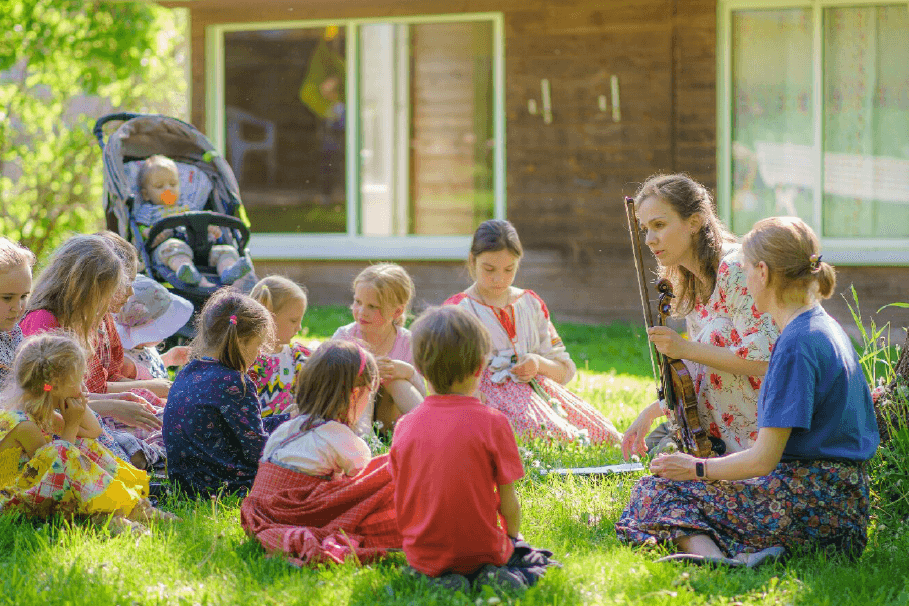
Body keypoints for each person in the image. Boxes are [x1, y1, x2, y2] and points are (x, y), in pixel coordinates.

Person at [615, 216, 880, 565]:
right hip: (844, 507)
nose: (741, 277)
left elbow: (762, 460)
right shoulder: (822, 326)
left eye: (744, 269)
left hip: (811, 505)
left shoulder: (795, 344)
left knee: (656, 491)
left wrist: (696, 468)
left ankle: (720, 560)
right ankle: (755, 552)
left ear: (763, 273)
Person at [390, 306, 558, 590]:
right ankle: (496, 575)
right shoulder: (493, 422)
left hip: (422, 551)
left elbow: (402, 496)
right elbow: (508, 501)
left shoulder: (404, 426)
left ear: (418, 368)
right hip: (482, 549)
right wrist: (512, 540)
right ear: (481, 366)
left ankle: (435, 578)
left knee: (429, 565)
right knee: (534, 559)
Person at [621, 174, 779, 459]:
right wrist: (652, 412)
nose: (649, 240)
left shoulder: (735, 268)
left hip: (771, 423)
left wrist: (685, 349)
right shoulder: (689, 282)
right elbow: (699, 371)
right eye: (645, 229)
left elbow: (766, 360)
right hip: (725, 421)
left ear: (694, 222)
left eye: (659, 225)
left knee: (717, 331)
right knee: (659, 455)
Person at [445, 220, 621, 445]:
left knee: (604, 434)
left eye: (509, 269)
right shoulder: (458, 310)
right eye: (489, 269)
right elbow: (444, 376)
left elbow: (564, 371)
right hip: (485, 402)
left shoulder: (530, 304)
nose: (499, 278)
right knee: (547, 436)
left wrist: (537, 363)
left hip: (538, 394)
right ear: (472, 260)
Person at [240, 340, 403, 566]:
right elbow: (365, 484)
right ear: (355, 395)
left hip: (259, 516)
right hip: (294, 516)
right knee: (388, 474)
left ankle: (282, 546)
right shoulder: (340, 437)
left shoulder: (287, 428)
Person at [0, 332, 176, 534]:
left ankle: (124, 508)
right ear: (55, 386)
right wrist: (71, 426)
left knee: (86, 444)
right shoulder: (23, 425)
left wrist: (79, 407)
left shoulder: (42, 413)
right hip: (9, 502)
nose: (83, 387)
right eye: (78, 381)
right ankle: (111, 513)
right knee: (65, 450)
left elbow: (94, 431)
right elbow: (58, 467)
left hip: (35, 491)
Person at [18, 235, 164, 468]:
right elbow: (43, 395)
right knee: (129, 450)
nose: (109, 304)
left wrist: (114, 400)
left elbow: (75, 393)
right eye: (108, 293)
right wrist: (111, 406)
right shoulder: (43, 323)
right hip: (57, 428)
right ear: (87, 289)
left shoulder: (82, 320)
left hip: (80, 419)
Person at [163, 288, 282, 497]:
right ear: (240, 342)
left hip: (184, 482)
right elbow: (258, 451)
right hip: (224, 485)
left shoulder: (186, 372)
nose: (259, 354)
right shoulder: (235, 382)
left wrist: (287, 419)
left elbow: (244, 430)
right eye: (258, 346)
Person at [333, 263, 425, 436]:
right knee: (366, 379)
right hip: (349, 417)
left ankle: (428, 429)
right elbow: (329, 383)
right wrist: (364, 373)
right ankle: (365, 440)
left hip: (391, 420)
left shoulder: (407, 342)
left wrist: (409, 372)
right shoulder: (345, 336)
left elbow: (422, 394)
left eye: (372, 307)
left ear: (396, 312)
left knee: (394, 379)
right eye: (358, 302)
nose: (362, 311)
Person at [134, 154, 252, 288]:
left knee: (226, 250)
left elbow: (200, 219)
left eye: (173, 184)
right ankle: (187, 272)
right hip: (168, 248)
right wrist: (148, 233)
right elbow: (139, 227)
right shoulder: (148, 210)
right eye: (159, 186)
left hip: (200, 249)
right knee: (174, 248)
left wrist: (210, 228)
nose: (168, 189)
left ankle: (228, 271)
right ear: (146, 194)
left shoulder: (187, 206)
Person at [248, 276, 311, 419]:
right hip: (257, 429)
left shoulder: (295, 356)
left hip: (287, 430)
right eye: (294, 320)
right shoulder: (248, 359)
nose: (299, 327)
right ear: (268, 317)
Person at [115, 275, 193, 382]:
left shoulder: (144, 348)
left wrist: (169, 358)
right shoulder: (126, 364)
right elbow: (138, 385)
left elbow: (147, 370)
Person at [0, 237, 36, 388]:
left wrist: (63, 387)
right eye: (7, 298)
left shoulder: (14, 333)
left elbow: (37, 384)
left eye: (23, 297)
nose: (17, 307)